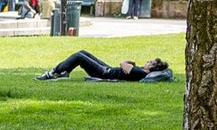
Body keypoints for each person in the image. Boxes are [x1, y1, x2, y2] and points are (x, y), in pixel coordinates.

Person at [37, 53, 169, 81]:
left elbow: (123, 64)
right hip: (108, 69)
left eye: (149, 62)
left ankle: (53, 72)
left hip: (105, 73)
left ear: (151, 68)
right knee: (83, 52)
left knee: (79, 57)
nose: (146, 61)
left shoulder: (140, 72)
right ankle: (65, 72)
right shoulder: (140, 70)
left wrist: (127, 62)